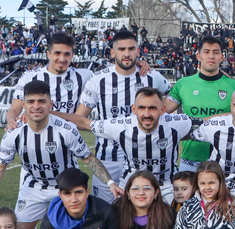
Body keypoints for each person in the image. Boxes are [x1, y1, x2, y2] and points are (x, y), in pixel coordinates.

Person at [0, 80, 117, 229]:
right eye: (31, 101)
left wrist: (110, 183)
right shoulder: (14, 132)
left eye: (42, 101)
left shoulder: (66, 129)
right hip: (34, 185)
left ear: (50, 104)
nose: (36, 106)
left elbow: (89, 159)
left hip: (66, 188)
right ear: (23, 105)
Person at [59, 87, 199, 203]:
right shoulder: (121, 125)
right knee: (122, 226)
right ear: (134, 109)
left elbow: (210, 124)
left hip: (166, 186)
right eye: (142, 108)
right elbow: (84, 123)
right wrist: (47, 114)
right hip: (131, 185)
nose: (146, 113)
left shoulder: (177, 122)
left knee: (173, 227)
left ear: (162, 110)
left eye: (152, 108)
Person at [77, 30, 170, 202]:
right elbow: (79, 119)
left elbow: (173, 99)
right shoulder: (98, 80)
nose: (126, 54)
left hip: (143, 158)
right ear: (112, 52)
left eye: (131, 49)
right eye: (121, 49)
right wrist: (107, 129)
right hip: (107, 159)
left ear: (138, 51)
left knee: (142, 212)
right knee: (105, 214)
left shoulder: (152, 77)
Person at [164, 36, 235, 172]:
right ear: (198, 56)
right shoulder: (183, 84)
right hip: (190, 161)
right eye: (206, 52)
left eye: (216, 52)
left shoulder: (234, 86)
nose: (211, 56)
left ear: (222, 57)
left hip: (223, 163)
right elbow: (160, 113)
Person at [6, 32, 94, 127]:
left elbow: (80, 119)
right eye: (57, 53)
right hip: (37, 138)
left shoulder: (84, 76)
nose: (62, 59)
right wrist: (11, 121)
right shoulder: (29, 77)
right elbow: (15, 108)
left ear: (72, 56)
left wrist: (45, 114)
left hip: (69, 139)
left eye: (67, 54)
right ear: (48, 54)